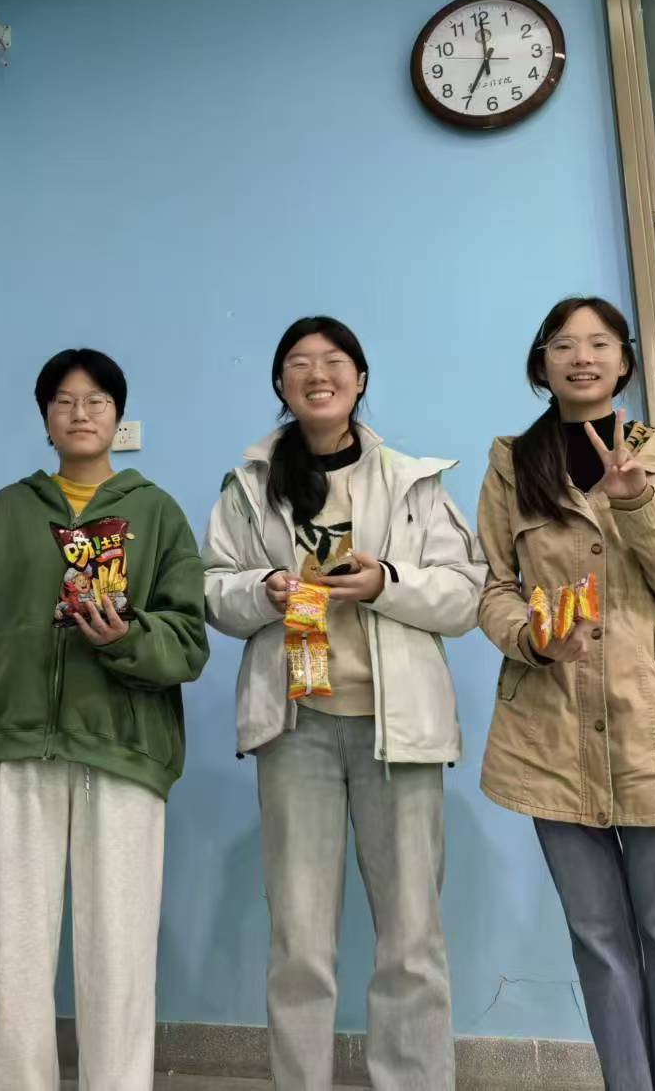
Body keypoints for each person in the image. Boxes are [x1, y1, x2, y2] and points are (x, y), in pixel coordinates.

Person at [202, 315, 484, 1090]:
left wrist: (386, 581)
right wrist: (262, 590)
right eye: (299, 362)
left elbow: (465, 594)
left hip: (400, 732)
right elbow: (212, 588)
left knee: (412, 935)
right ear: (281, 384)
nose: (317, 373)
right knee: (299, 939)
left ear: (360, 379)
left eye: (334, 361)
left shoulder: (412, 480)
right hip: (296, 727)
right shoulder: (249, 484)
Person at [0, 347, 209, 1091]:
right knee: (11, 955)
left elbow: (188, 641)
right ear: (45, 418)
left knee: (120, 953)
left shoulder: (157, 513)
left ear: (118, 416)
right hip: (11, 751)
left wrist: (126, 637)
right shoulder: (7, 511)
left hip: (123, 752)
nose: (81, 413)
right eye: (64, 401)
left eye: (96, 400)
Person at [475, 295, 655, 1090]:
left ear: (624, 362)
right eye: (562, 344)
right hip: (548, 731)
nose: (581, 356)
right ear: (541, 363)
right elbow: (492, 587)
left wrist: (637, 503)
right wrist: (533, 637)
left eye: (598, 343)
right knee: (597, 939)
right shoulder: (512, 463)